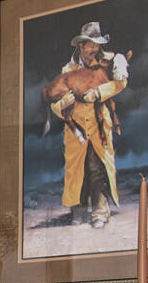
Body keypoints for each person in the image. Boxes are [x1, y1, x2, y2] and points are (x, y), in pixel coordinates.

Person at [44, 23, 127, 226]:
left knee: (97, 167)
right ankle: (78, 212)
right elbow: (54, 103)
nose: (93, 50)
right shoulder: (68, 70)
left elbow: (121, 83)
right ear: (81, 46)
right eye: (90, 45)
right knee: (76, 170)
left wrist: (98, 93)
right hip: (75, 130)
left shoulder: (109, 62)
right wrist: (61, 105)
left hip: (99, 125)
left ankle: (100, 212)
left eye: (96, 46)